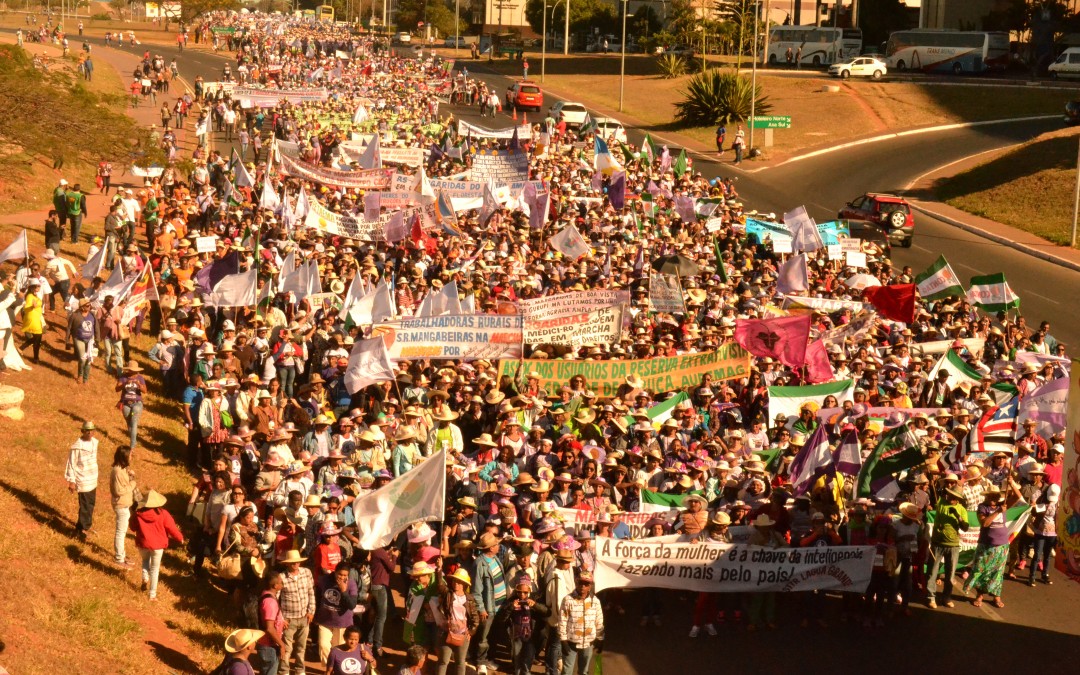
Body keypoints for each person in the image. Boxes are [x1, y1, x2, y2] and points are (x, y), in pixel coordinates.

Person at [965, 483, 1019, 608]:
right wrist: (997, 512)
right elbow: (984, 523)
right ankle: (980, 595)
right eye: (991, 496)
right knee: (981, 570)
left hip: (1002, 545)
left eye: (995, 496)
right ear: (987, 497)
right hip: (986, 545)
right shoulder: (982, 507)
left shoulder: (1002, 505)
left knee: (998, 572)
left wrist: (1011, 483)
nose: (993, 498)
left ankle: (996, 596)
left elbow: (1017, 496)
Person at [130, 490, 184, 601]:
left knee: (145, 561)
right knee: (155, 569)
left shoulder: (138, 514)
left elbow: (132, 527)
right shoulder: (163, 514)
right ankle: (152, 595)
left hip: (143, 543)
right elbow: (172, 528)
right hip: (158, 546)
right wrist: (180, 538)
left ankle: (145, 577)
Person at [471, 531, 508, 674]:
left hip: (499, 605)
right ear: (491, 548)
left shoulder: (495, 559)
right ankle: (480, 662)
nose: (498, 546)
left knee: (493, 635)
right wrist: (481, 609)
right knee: (483, 637)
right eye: (496, 544)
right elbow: (476, 590)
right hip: (489, 607)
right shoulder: (480, 564)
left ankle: (488, 659)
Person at [926, 487, 968, 609]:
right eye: (950, 495)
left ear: (958, 499)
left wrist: (957, 516)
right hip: (937, 544)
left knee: (950, 574)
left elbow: (965, 527)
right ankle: (931, 597)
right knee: (932, 572)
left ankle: (946, 597)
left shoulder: (962, 510)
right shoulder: (941, 503)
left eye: (954, 497)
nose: (951, 498)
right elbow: (934, 491)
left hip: (953, 545)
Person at [278, 549, 316, 675]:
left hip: (304, 617)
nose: (295, 565)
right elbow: (276, 598)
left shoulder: (307, 573)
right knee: (287, 648)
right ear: (287, 564)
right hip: (288, 619)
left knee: (301, 647)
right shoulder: (282, 577)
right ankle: (284, 671)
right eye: (292, 563)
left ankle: (300, 669)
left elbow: (311, 592)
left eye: (297, 562)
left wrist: (311, 611)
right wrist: (281, 619)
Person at [558, 571, 604, 675]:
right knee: (567, 671)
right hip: (570, 642)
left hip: (588, 643)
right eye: (580, 583)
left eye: (586, 584)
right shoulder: (568, 600)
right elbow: (562, 621)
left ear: (590, 586)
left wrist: (600, 638)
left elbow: (599, 621)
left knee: (584, 671)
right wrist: (563, 640)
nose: (583, 586)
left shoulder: (595, 601)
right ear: (576, 582)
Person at [436, 567, 479, 675]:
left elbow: (475, 618)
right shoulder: (448, 594)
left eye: (459, 582)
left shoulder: (469, 599)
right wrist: (439, 569)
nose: (456, 584)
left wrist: (471, 631)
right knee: (443, 661)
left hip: (463, 635)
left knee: (460, 662)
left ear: (464, 584)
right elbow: (440, 585)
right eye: (455, 581)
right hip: (446, 633)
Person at [315, 561, 359, 665]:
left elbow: (352, 605)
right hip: (324, 621)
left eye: (345, 575)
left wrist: (343, 591)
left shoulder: (351, 584)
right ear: (335, 572)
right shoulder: (324, 580)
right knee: (323, 645)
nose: (342, 577)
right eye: (340, 574)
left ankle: (336, 669)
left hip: (342, 623)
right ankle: (329, 669)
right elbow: (317, 596)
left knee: (338, 650)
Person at [65, 420, 99, 539]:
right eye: (87, 431)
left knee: (90, 504)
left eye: (91, 430)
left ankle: (85, 526)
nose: (89, 433)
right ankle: (81, 530)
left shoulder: (95, 443)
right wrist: (71, 481)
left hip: (92, 479)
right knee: (85, 506)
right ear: (82, 431)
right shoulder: (77, 446)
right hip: (83, 480)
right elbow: (71, 463)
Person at [109, 446, 137, 568]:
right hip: (121, 505)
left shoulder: (122, 469)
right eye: (130, 455)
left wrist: (130, 474)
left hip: (124, 505)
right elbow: (118, 490)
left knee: (122, 532)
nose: (132, 457)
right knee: (120, 532)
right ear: (124, 456)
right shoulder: (117, 471)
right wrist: (132, 484)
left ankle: (122, 554)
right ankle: (119, 558)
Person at [117, 360, 148, 450]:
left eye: (136, 371)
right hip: (125, 404)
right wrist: (124, 384)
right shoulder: (123, 377)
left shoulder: (140, 378)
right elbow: (117, 389)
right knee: (129, 423)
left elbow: (145, 391)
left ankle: (132, 446)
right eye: (132, 371)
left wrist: (139, 385)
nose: (135, 373)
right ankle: (133, 439)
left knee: (134, 423)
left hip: (137, 404)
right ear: (129, 370)